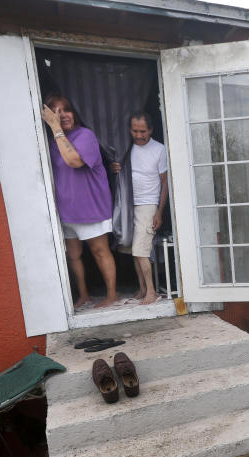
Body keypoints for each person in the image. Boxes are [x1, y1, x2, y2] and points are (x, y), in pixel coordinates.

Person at [41, 94, 118, 309]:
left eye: (66, 109)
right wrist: (56, 132)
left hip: (90, 207)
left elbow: (74, 161)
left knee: (99, 251)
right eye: (55, 112)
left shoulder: (85, 135)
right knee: (73, 255)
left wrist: (56, 129)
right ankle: (83, 295)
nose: (62, 115)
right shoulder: (52, 141)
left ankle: (112, 294)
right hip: (66, 209)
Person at [123, 111, 168, 306]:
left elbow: (165, 183)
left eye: (143, 131)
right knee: (135, 250)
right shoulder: (125, 148)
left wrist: (159, 211)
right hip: (128, 203)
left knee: (141, 250)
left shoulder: (159, 149)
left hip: (148, 204)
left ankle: (152, 292)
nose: (139, 135)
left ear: (150, 129)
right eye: (135, 131)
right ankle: (142, 289)